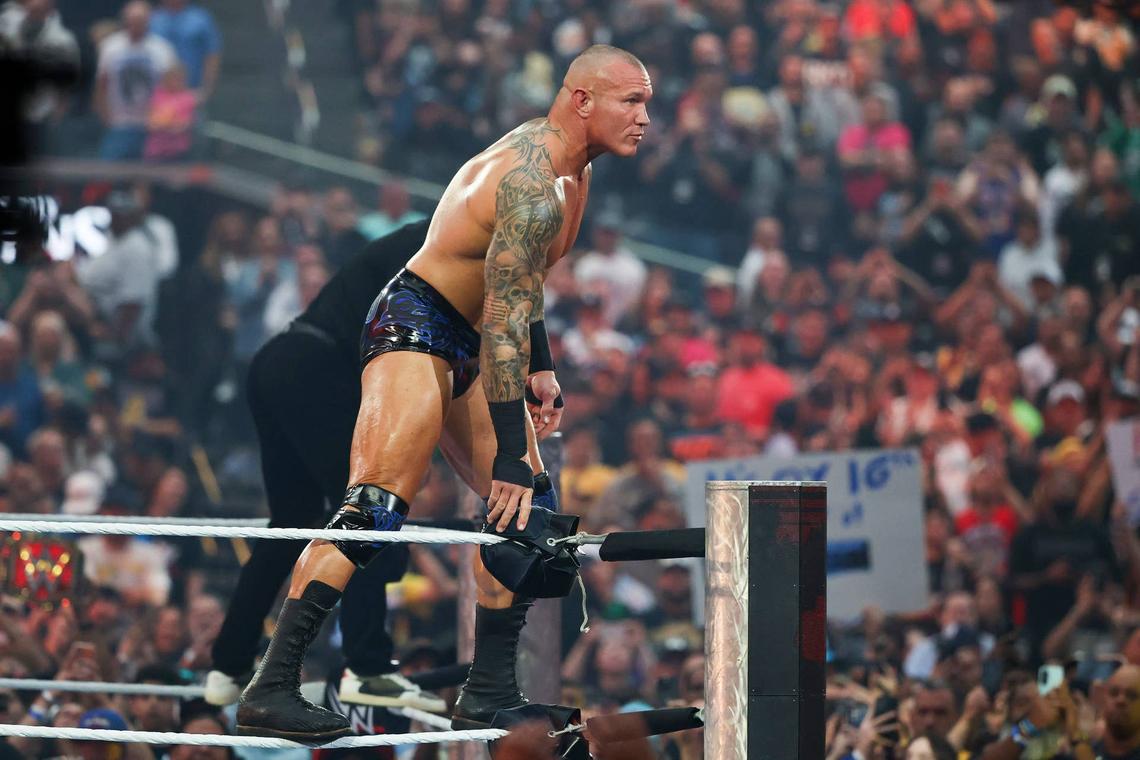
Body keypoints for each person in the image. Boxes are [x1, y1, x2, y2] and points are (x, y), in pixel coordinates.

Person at [236, 43, 651, 740]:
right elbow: (499, 317)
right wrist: (512, 453)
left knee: (531, 520)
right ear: (582, 100)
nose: (645, 118)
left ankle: (488, 690)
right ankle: (271, 685)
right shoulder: (529, 177)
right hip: (418, 323)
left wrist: (543, 366)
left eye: (647, 103)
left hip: (475, 332)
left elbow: (521, 286)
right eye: (631, 101)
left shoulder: (573, 177)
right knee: (375, 506)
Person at [204, 221, 444, 714]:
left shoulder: (431, 242)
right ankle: (369, 666)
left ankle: (226, 666)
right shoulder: (450, 245)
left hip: (281, 360)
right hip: (316, 367)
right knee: (368, 508)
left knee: (292, 522)